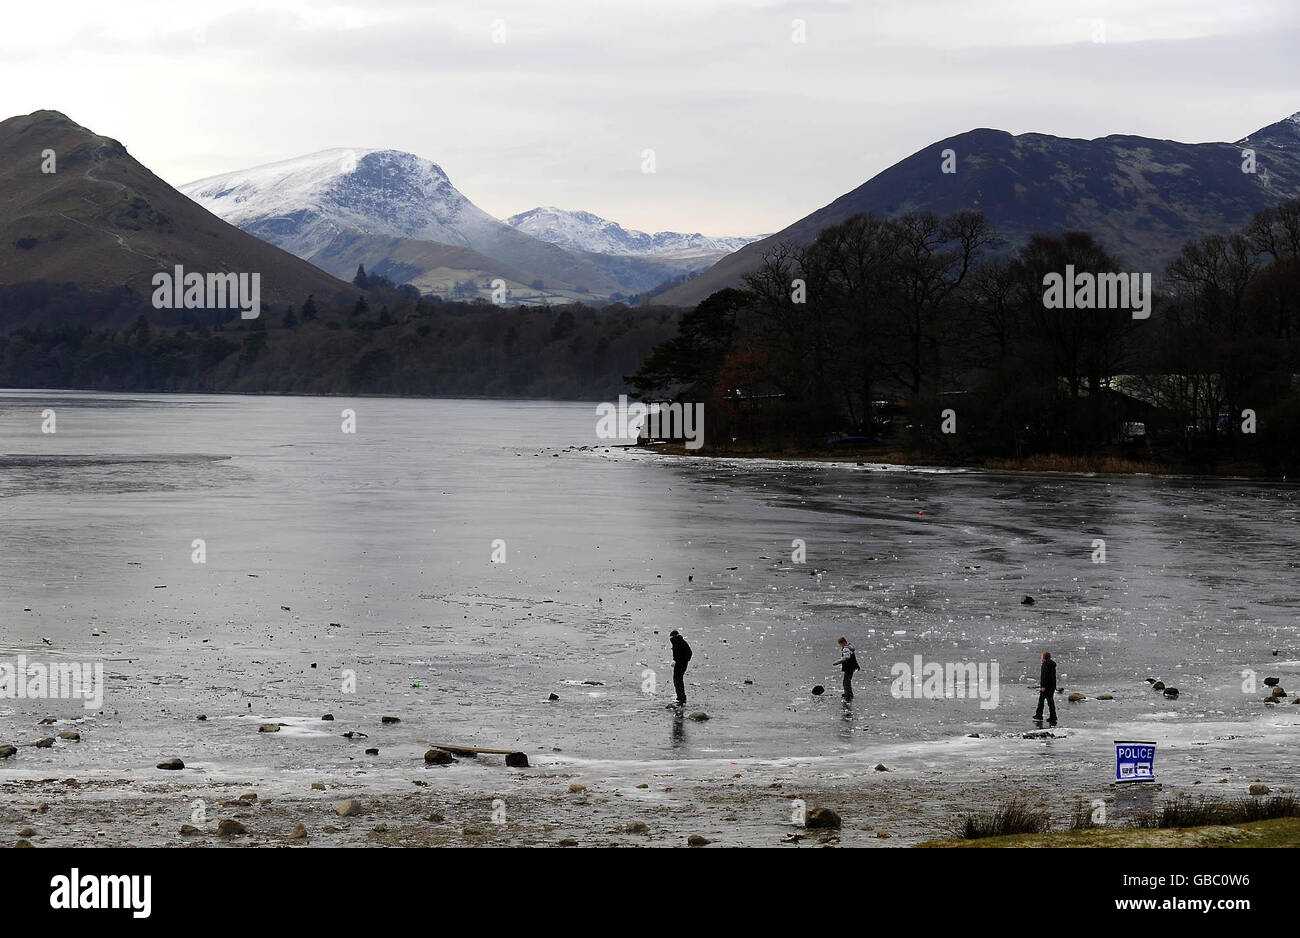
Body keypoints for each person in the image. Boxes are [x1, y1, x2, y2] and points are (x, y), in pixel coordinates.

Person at [669, 630, 692, 705]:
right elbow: (689, 653)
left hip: (679, 664)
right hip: (683, 664)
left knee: (677, 680)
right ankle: (681, 697)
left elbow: (677, 654)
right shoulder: (682, 642)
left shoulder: (676, 643)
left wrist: (676, 661)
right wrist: (686, 660)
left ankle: (680, 698)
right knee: (679, 680)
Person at [1034, 651, 1057, 723]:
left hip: (1046, 686)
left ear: (1044, 657)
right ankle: (1053, 716)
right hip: (1052, 686)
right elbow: (1052, 677)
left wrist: (1043, 686)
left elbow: (1044, 676)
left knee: (1041, 701)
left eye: (1042, 657)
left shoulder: (1045, 665)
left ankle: (1039, 715)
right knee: (1050, 702)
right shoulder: (1052, 665)